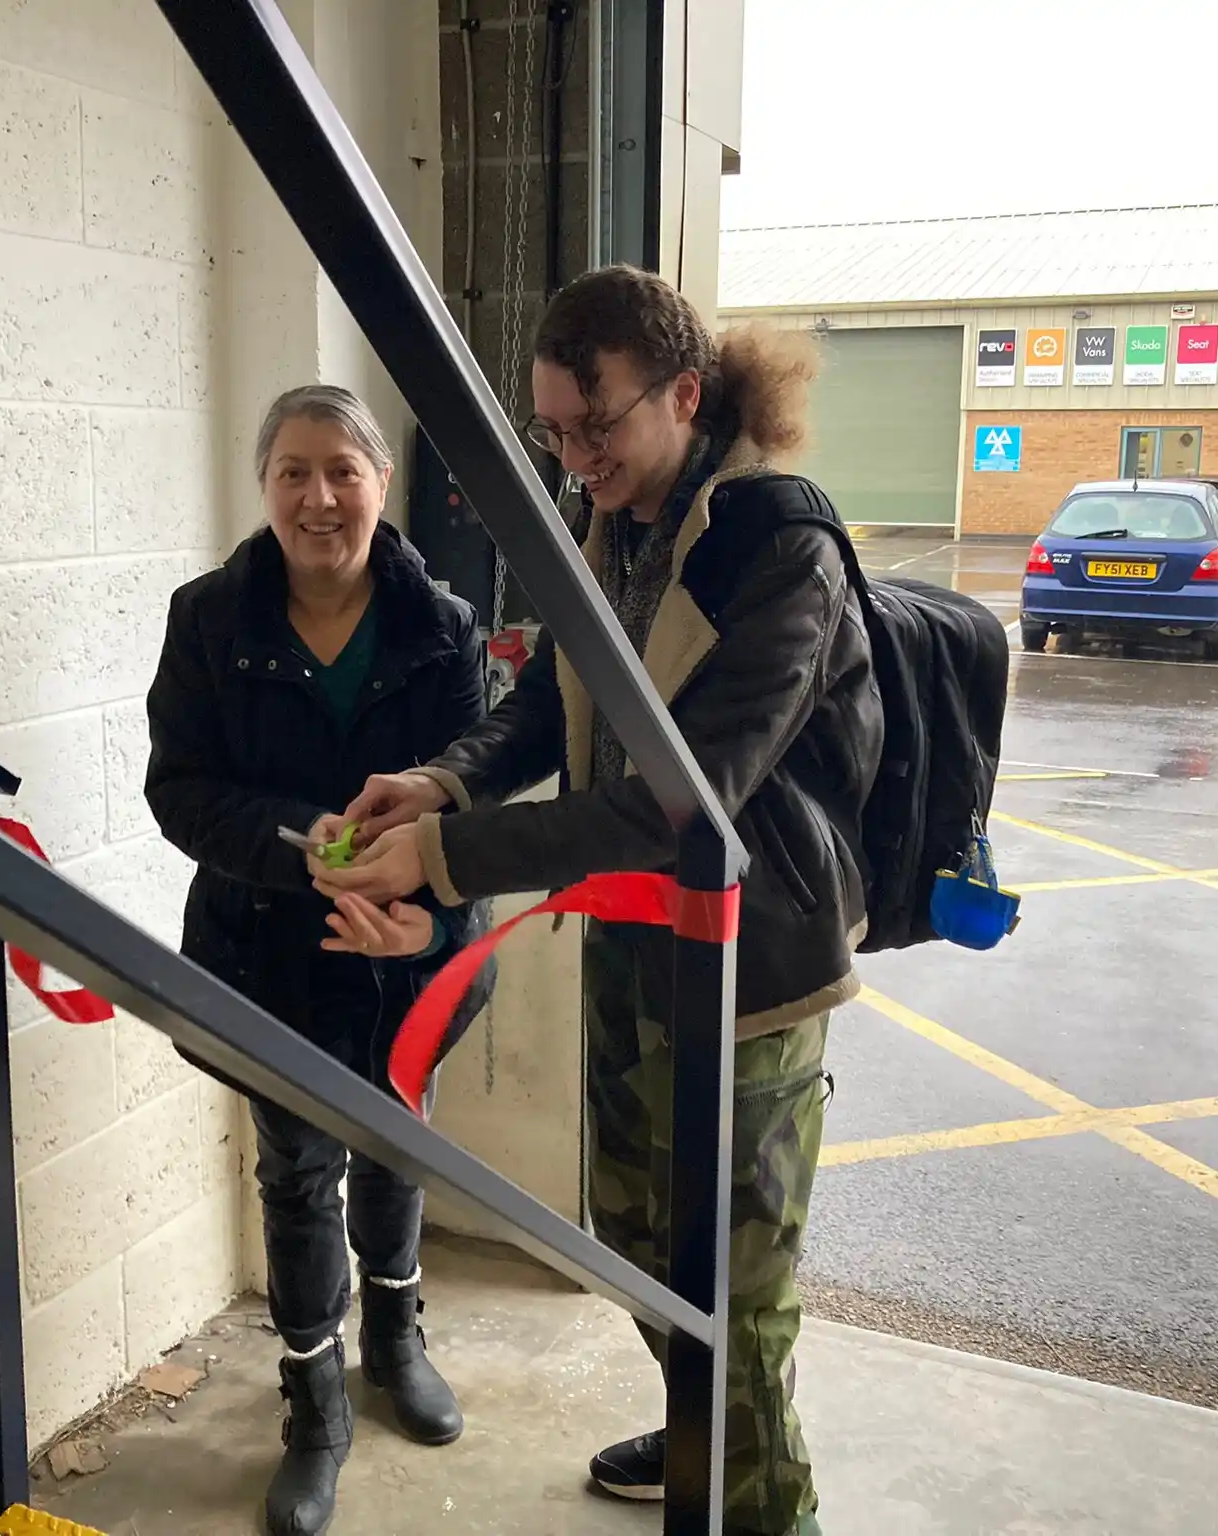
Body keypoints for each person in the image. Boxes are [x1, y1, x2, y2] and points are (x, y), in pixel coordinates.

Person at [318, 266, 883, 1536]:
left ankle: (757, 1498)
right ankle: (702, 1431)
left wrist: (447, 865)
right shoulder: (619, 521)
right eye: (553, 432)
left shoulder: (778, 544)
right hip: (632, 933)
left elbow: (687, 804)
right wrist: (440, 786)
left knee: (735, 1289)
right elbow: (546, 702)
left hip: (752, 966)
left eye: (597, 425)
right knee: (630, 1237)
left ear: (683, 394)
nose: (574, 460)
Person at [143, 384, 492, 1536]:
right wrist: (313, 852)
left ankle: (395, 1340)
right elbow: (180, 790)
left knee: (397, 1146)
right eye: (292, 471)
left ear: (380, 484)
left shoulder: (443, 624)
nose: (318, 496)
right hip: (264, 953)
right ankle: (312, 1403)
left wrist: (429, 920)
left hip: (405, 959)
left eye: (342, 469)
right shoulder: (206, 620)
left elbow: (470, 798)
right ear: (264, 488)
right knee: (296, 1172)